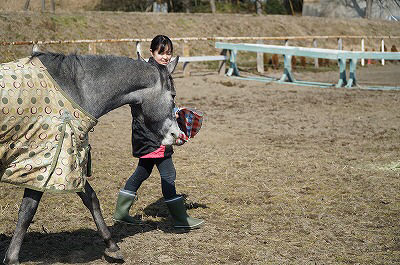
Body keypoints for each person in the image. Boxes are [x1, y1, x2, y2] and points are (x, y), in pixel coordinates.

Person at [113, 35, 204, 229]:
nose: (165, 57)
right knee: (168, 174)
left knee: (142, 172)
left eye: (168, 53)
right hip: (152, 134)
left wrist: (177, 117)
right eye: (161, 52)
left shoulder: (163, 72)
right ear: (152, 53)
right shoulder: (149, 74)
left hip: (150, 132)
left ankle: (121, 212)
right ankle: (180, 219)